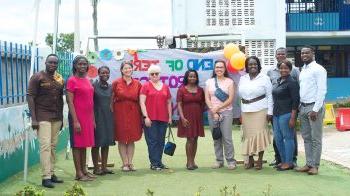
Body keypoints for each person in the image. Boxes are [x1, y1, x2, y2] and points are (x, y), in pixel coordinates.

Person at [27, 54, 64, 188]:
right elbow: (30, 97)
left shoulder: (60, 78)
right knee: (45, 146)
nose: (53, 65)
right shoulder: (37, 77)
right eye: (50, 62)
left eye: (55, 63)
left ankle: (51, 173)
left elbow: (60, 99)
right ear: (45, 62)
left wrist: (61, 118)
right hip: (42, 116)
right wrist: (34, 119)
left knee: (53, 146)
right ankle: (45, 177)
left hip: (56, 117)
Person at [295, 46, 327, 175]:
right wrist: (299, 105)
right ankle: (309, 164)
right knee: (306, 137)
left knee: (316, 138)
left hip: (314, 108)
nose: (304, 55)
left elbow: (322, 90)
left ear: (313, 53)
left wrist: (315, 109)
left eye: (307, 52)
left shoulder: (319, 69)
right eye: (302, 53)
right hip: (303, 107)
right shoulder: (303, 69)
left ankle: (315, 166)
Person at [267, 47, 300, 167]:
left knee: (288, 138)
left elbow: (296, 100)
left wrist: (293, 117)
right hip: (276, 114)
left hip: (287, 114)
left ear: (290, 70)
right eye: (281, 68)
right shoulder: (277, 80)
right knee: (278, 138)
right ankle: (282, 160)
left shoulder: (292, 82)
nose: (283, 70)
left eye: (286, 68)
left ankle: (290, 162)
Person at [238, 56, 272, 170]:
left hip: (261, 110)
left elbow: (269, 96)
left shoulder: (265, 78)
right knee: (248, 136)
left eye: (255, 64)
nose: (253, 66)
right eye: (250, 64)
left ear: (258, 65)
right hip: (246, 110)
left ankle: (260, 160)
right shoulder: (243, 78)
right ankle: (251, 160)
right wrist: (241, 112)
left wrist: (270, 112)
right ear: (247, 66)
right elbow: (240, 96)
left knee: (259, 135)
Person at [66, 55, 96, 181]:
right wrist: (75, 121)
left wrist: (93, 119)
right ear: (75, 66)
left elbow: (91, 101)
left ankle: (84, 170)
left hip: (88, 117)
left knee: (84, 144)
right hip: (77, 117)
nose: (83, 66)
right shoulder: (72, 80)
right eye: (80, 64)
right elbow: (70, 102)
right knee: (77, 145)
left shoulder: (87, 80)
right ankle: (78, 173)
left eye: (85, 64)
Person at [205, 60, 236, 170]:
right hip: (212, 112)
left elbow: (231, 99)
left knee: (227, 138)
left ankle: (231, 161)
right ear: (214, 69)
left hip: (226, 112)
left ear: (225, 69)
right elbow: (207, 98)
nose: (219, 69)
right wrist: (213, 110)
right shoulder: (209, 82)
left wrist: (218, 108)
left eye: (221, 67)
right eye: (217, 67)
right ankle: (219, 160)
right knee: (216, 137)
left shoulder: (230, 82)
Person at [140, 64, 172, 171]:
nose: (154, 75)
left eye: (156, 73)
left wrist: (170, 117)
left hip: (163, 118)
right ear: (149, 75)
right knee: (152, 141)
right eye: (152, 74)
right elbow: (142, 103)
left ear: (159, 74)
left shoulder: (165, 86)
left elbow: (168, 103)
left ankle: (159, 162)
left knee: (161, 141)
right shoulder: (145, 86)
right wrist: (146, 117)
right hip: (150, 118)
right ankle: (154, 163)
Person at [112, 61, 142, 172]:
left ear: (132, 69)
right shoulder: (116, 83)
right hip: (119, 113)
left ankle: (130, 163)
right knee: (121, 138)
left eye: (129, 68)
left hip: (134, 113)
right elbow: (111, 98)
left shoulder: (138, 83)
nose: (127, 70)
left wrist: (142, 115)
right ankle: (124, 163)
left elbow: (141, 100)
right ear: (121, 70)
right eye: (125, 68)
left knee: (131, 139)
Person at [177, 69, 205, 170]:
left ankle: (193, 161)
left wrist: (199, 112)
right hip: (186, 117)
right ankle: (189, 162)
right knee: (190, 138)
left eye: (194, 76)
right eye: (190, 76)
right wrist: (182, 117)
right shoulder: (181, 89)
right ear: (186, 77)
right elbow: (179, 104)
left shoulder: (201, 90)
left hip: (197, 117)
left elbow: (203, 103)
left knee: (196, 138)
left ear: (196, 78)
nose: (192, 78)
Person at [91, 66, 115, 175]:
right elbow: (90, 103)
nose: (105, 74)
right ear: (98, 74)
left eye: (107, 73)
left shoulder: (110, 87)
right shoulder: (93, 86)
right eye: (102, 73)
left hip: (108, 117)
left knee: (106, 142)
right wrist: (92, 119)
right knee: (96, 143)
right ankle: (96, 168)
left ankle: (104, 167)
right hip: (97, 117)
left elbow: (111, 103)